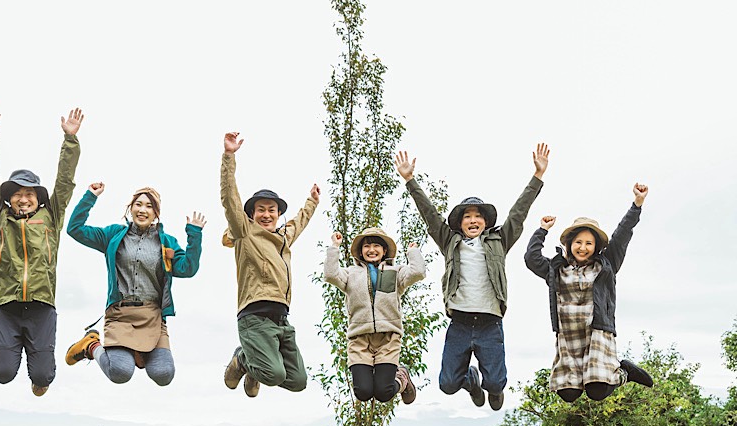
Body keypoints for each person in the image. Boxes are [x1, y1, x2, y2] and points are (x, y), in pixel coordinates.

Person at [395, 144, 549, 411]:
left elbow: (518, 214)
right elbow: (430, 216)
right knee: (448, 384)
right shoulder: (450, 242)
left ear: (486, 222)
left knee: (497, 383)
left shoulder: (499, 240)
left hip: (490, 322)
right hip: (460, 322)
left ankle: (493, 388)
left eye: (478, 216)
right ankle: (471, 381)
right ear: (460, 223)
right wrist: (410, 180)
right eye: (467, 216)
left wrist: (537, 176)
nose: (473, 220)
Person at [0, 102, 83, 397]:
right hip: (6, 305)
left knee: (43, 374)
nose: (23, 199)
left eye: (29, 193)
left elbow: (65, 181)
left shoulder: (51, 217)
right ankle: (7, 354)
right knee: (3, 373)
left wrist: (70, 139)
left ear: (38, 198)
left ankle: (38, 371)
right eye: (18, 194)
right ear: (9, 199)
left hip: (41, 306)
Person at [64, 183, 204, 386]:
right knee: (120, 372)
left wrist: (194, 235)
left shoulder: (167, 242)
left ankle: (137, 351)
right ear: (131, 208)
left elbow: (188, 269)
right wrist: (90, 197)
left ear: (156, 213)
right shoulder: (113, 235)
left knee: (164, 374)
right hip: (120, 315)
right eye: (138, 204)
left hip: (152, 317)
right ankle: (91, 345)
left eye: (149, 206)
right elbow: (74, 229)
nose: (142, 210)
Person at [524, 184, 654, 402]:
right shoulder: (556, 269)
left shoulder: (606, 265)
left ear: (596, 247)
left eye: (588, 243)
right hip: (569, 337)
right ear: (569, 244)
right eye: (578, 242)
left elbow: (622, 235)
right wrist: (542, 230)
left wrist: (637, 204)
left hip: (597, 333)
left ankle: (624, 372)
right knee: (568, 394)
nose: (583, 247)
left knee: (597, 391)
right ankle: (587, 379)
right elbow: (531, 258)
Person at [220, 132, 319, 397]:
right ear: (252, 214)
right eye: (261, 210)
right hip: (254, 316)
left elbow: (299, 222)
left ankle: (253, 366)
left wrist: (312, 202)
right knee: (274, 375)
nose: (266, 214)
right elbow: (230, 199)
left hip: (282, 319)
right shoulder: (244, 232)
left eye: (271, 210)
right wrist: (229, 157)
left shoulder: (283, 237)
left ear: (278, 214)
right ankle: (244, 359)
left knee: (297, 381)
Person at [324, 228, 426, 404]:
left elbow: (418, 273)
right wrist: (334, 247)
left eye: (376, 245)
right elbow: (330, 275)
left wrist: (413, 252)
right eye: (367, 246)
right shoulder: (350, 273)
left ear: (384, 250)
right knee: (363, 392)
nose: (371, 250)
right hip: (359, 339)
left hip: (388, 338)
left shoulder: (396, 272)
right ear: (360, 251)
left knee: (383, 392)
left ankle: (402, 378)